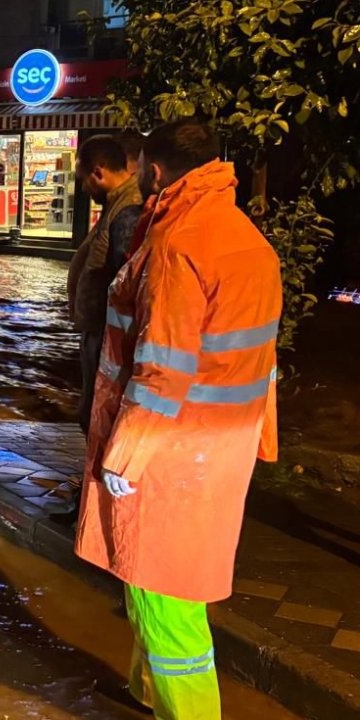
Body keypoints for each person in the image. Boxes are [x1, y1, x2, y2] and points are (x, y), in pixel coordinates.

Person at [75, 118, 281, 719]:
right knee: (166, 578)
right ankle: (144, 693)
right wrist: (262, 436)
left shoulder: (176, 244)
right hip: (222, 445)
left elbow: (162, 368)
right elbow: (260, 356)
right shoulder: (244, 237)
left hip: (170, 448)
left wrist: (126, 454)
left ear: (156, 172)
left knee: (162, 592)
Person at [68, 135, 144, 437]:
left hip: (108, 335)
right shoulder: (117, 204)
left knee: (100, 414)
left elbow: (127, 277)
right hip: (99, 331)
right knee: (93, 410)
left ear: (98, 172)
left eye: (83, 179)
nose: (84, 188)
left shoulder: (129, 209)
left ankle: (97, 482)